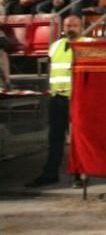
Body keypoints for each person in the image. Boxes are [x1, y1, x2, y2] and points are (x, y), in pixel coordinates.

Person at [25, 12, 88, 188]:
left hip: (78, 99)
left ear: (81, 27)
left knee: (78, 139)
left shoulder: (89, 45)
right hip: (58, 98)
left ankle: (79, 174)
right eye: (68, 25)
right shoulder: (55, 46)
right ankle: (50, 173)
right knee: (55, 138)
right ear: (63, 28)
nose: (71, 28)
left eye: (74, 25)